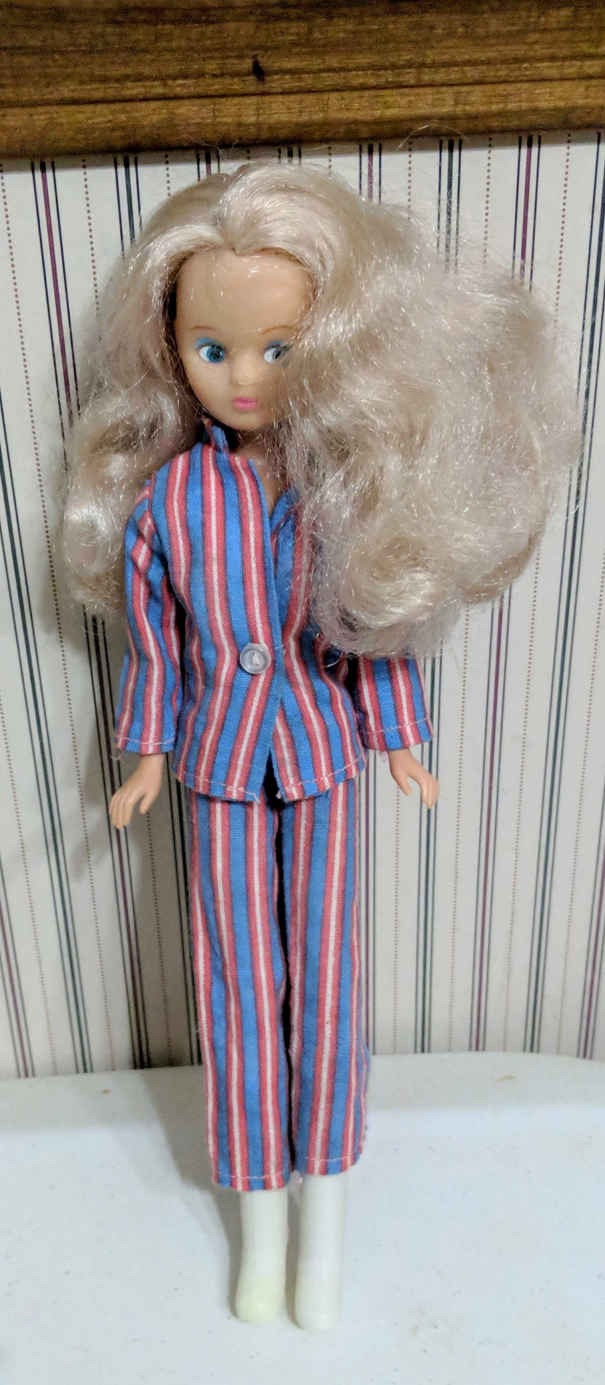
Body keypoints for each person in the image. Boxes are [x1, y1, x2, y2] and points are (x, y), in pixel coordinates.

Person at [61, 160, 577, 1329]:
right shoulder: (169, 504)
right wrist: (144, 755)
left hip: (323, 755)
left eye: (277, 349)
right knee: (237, 987)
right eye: (212, 348)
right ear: (169, 347)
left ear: (332, 346)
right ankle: (259, 1226)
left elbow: (371, 620)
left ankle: (325, 1222)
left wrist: (398, 738)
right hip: (215, 767)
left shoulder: (343, 490)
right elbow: (153, 643)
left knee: (328, 986)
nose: (243, 376)